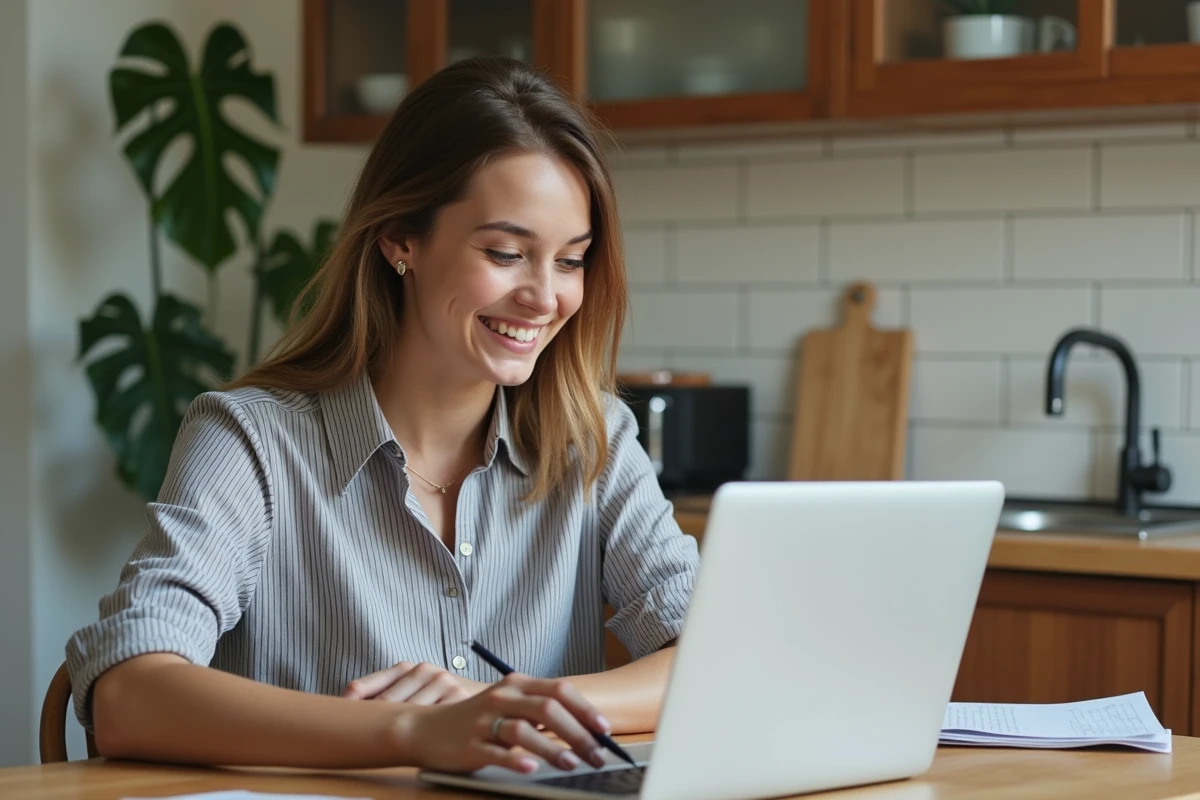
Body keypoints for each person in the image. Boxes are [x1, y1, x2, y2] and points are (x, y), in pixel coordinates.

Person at [65, 56, 699, 775]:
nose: (543, 296)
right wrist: (410, 732)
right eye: (505, 253)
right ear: (400, 238)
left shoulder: (595, 440)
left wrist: (512, 708)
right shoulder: (251, 442)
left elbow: (715, 657)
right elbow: (128, 695)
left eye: (570, 260)